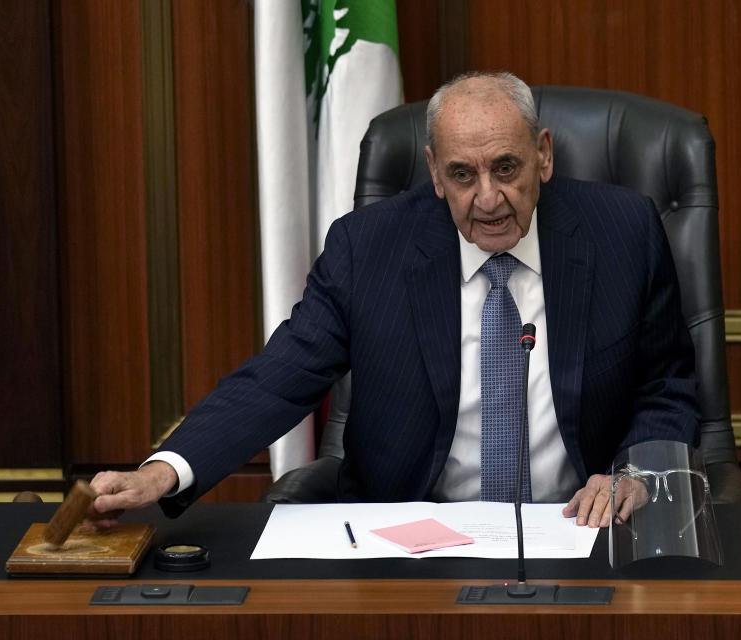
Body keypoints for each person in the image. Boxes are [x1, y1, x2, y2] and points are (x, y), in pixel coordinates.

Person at [90, 72, 698, 529]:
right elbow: (279, 380)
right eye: (463, 175)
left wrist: (638, 474)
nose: (487, 199)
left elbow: (665, 386)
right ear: (434, 173)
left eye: (506, 168)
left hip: (576, 531)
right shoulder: (368, 248)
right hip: (410, 540)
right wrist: (166, 470)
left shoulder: (623, 232)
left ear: (543, 154)